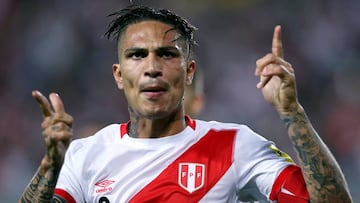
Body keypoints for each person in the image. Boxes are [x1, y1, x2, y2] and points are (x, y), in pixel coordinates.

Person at [19, 5, 352, 203]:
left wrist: (292, 113)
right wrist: (49, 169)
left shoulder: (236, 145)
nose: (152, 67)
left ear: (189, 71)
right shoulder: (85, 154)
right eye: (137, 55)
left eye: (167, 54)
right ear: (119, 75)